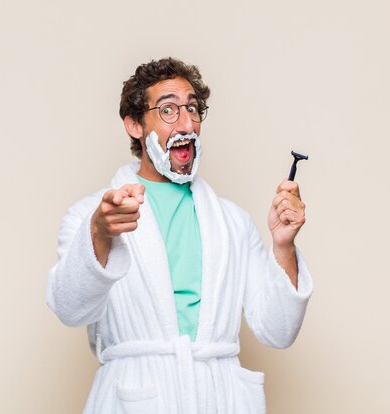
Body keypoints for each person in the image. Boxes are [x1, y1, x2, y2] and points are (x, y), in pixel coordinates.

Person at [47, 57, 313, 413]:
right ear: (134, 125)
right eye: (168, 110)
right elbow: (69, 309)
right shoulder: (89, 216)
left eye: (192, 108)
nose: (187, 122)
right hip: (136, 396)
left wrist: (283, 245)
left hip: (219, 397)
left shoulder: (232, 222)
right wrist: (99, 234)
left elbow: (277, 331)